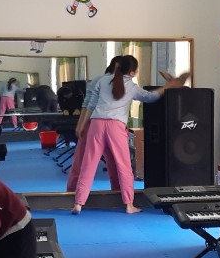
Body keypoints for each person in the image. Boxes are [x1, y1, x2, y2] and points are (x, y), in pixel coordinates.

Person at [69, 55, 188, 214]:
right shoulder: (131, 86)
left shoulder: (102, 81)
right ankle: (129, 205)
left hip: (96, 124)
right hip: (116, 127)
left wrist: (82, 125)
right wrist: (169, 86)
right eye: (137, 69)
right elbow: (150, 97)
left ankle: (78, 203)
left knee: (88, 165)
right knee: (124, 166)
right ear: (132, 72)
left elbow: (90, 104)